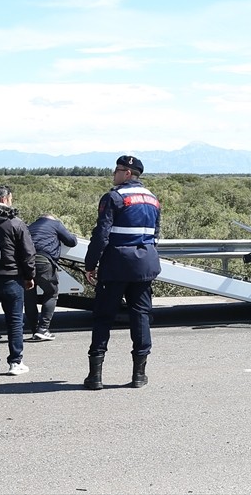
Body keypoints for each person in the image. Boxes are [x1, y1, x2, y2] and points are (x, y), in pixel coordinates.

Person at [83, 155, 162, 390]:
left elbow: (101, 235)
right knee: (140, 317)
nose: (113, 174)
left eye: (117, 170)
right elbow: (155, 235)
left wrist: (90, 264)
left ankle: (95, 377)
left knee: (103, 317)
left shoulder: (114, 197)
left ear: (127, 173)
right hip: (144, 266)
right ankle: (139, 375)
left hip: (116, 266)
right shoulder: (153, 199)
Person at [0, 184, 36, 377]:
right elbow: (27, 253)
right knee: (15, 322)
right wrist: (29, 276)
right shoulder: (15, 223)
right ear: (5, 199)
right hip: (12, 279)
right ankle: (15, 362)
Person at [24, 213, 79, 341]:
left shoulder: (30, 227)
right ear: (52, 218)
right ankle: (43, 329)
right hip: (44, 261)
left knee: (29, 297)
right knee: (51, 292)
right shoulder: (55, 224)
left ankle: (34, 330)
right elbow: (71, 241)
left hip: (27, 263)